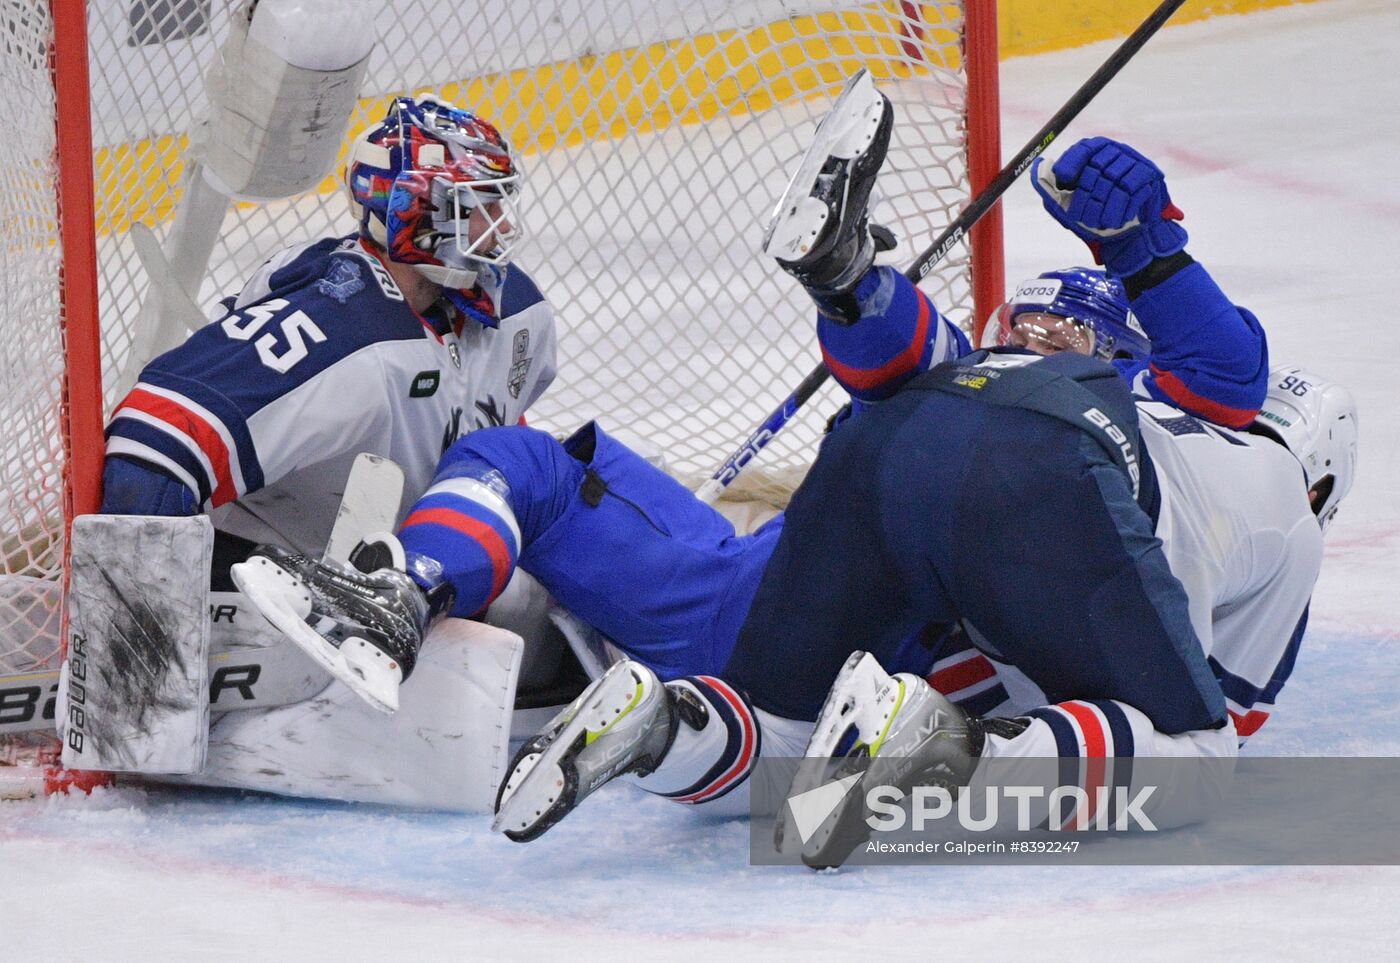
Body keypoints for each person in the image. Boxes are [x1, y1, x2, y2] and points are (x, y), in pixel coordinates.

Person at [101, 94, 557, 566]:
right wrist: (146, 616)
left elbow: (490, 418)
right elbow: (157, 437)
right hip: (270, 581)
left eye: (500, 202)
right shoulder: (341, 322)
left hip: (414, 574)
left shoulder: (517, 308)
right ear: (416, 213)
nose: (502, 225)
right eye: (480, 206)